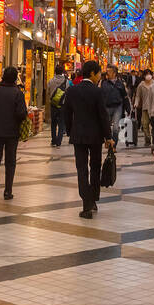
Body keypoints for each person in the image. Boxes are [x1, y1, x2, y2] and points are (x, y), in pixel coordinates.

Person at [63, 59, 113, 218]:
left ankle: (86, 204)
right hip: (96, 136)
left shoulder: (72, 91)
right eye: (99, 73)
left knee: (82, 169)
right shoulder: (97, 92)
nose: (100, 76)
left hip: (78, 136)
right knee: (95, 167)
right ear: (92, 73)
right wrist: (108, 137)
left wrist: (71, 131)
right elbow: (103, 116)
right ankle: (93, 199)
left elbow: (66, 114)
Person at [0, 66, 28, 203]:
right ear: (14, 79)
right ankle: (8, 191)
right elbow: (21, 113)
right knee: (10, 162)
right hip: (12, 133)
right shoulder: (18, 93)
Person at [100, 64, 128, 145]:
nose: (107, 73)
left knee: (116, 128)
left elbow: (125, 96)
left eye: (109, 71)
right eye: (107, 71)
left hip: (117, 107)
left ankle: (114, 145)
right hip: (107, 107)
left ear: (114, 73)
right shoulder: (103, 83)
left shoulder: (120, 84)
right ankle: (108, 141)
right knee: (106, 127)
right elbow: (100, 95)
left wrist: (128, 108)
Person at [47, 63, 70, 147]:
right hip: (62, 105)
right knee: (61, 123)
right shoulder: (66, 82)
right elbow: (68, 93)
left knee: (53, 123)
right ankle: (59, 141)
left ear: (55, 72)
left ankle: (53, 140)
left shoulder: (50, 81)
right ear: (62, 72)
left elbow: (48, 92)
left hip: (53, 105)